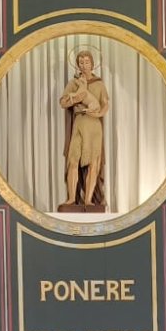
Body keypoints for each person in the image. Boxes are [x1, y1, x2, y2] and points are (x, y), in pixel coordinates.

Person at [59, 50, 110, 213]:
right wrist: (73, 98)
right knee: (73, 160)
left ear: (92, 63)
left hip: (94, 125)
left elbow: (105, 104)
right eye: (81, 62)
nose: (84, 65)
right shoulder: (73, 83)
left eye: (87, 62)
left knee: (94, 163)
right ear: (77, 65)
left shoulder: (99, 84)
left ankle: (88, 199)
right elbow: (63, 102)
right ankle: (72, 198)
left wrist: (98, 113)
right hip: (80, 123)